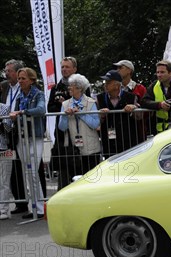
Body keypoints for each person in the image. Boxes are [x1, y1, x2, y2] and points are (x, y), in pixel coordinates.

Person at [2, 59, 45, 214]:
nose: (20, 81)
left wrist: (22, 113)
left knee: (33, 173)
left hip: (35, 137)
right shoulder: (20, 97)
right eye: (19, 78)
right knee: (28, 174)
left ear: (31, 80)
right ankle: (34, 207)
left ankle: (39, 208)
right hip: (21, 137)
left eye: (23, 79)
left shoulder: (38, 94)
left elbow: (40, 110)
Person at [48, 56, 91, 190]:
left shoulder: (84, 85)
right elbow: (50, 108)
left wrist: (66, 103)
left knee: (81, 167)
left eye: (67, 67)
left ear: (75, 69)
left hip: (80, 132)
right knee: (63, 167)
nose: (64, 69)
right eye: (62, 67)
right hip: (62, 132)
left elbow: (87, 104)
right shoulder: (56, 87)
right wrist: (64, 107)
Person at [57, 73, 102, 187]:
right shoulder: (65, 104)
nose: (69, 88)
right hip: (74, 148)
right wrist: (65, 116)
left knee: (92, 179)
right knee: (76, 180)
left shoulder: (91, 102)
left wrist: (81, 114)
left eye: (71, 85)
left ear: (80, 88)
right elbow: (62, 127)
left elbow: (95, 123)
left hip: (91, 147)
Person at [96, 70, 141, 158]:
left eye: (108, 82)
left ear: (117, 85)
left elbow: (139, 117)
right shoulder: (100, 98)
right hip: (109, 143)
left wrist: (134, 108)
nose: (105, 84)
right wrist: (101, 115)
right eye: (105, 82)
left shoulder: (131, 97)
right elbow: (97, 122)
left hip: (128, 141)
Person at [0, 103, 12, 219]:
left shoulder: (4, 108)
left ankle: (3, 209)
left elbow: (8, 128)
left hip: (4, 147)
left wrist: (2, 122)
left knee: (4, 181)